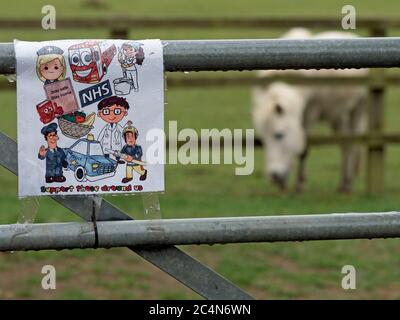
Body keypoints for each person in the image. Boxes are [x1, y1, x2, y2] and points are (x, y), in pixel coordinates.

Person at [97, 96, 129, 164]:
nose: (111, 116)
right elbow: (100, 135)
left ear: (125, 113)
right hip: (106, 144)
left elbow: (123, 130)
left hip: (116, 143)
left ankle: (118, 160)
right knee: (106, 152)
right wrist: (97, 142)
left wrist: (127, 124)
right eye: (106, 111)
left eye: (117, 111)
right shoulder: (106, 127)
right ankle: (107, 160)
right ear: (100, 114)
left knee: (117, 152)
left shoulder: (118, 126)